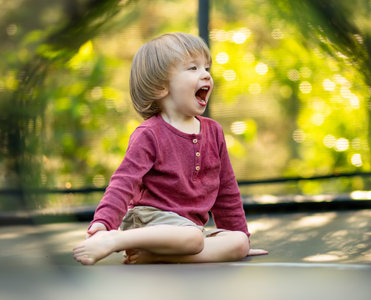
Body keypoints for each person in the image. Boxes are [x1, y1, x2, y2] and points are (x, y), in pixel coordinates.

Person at [73, 32, 268, 265]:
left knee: (236, 242)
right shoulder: (150, 134)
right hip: (148, 221)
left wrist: (242, 236)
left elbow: (226, 189)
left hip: (186, 230)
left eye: (207, 68)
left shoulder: (213, 132)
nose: (205, 74)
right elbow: (124, 181)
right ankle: (116, 240)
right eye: (193, 68)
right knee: (193, 238)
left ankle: (152, 257)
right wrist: (103, 223)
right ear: (161, 86)